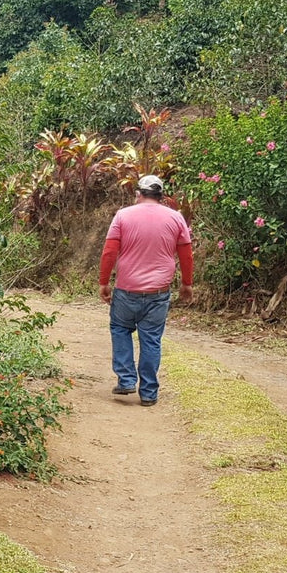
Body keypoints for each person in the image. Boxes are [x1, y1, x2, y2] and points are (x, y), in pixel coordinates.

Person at [98, 174, 194, 406]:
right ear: (162, 196)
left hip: (126, 289)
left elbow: (109, 252)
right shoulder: (176, 218)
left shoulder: (123, 216)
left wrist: (104, 282)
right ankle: (149, 393)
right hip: (158, 292)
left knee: (120, 329)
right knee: (151, 339)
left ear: (138, 194)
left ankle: (126, 380)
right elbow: (186, 255)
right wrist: (186, 284)